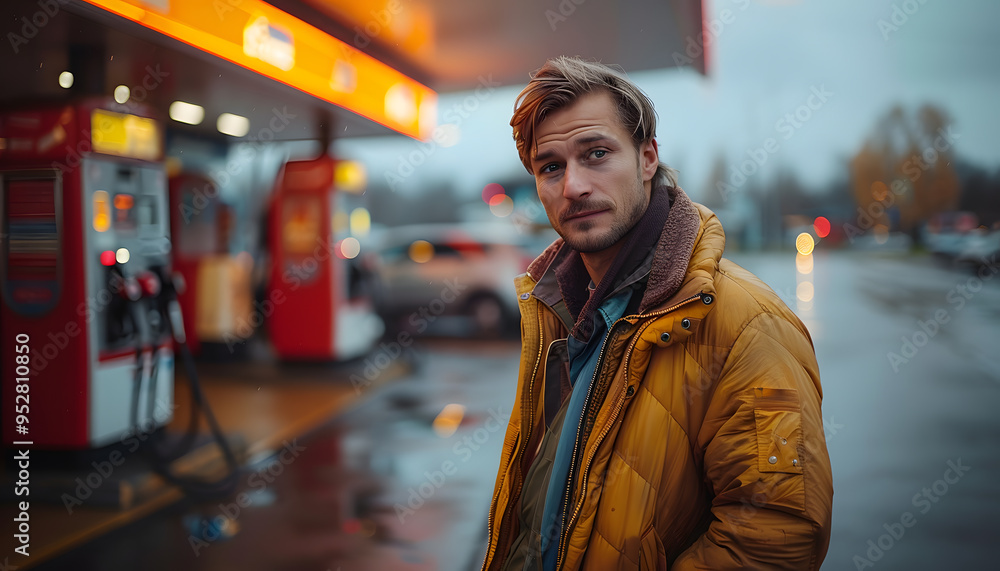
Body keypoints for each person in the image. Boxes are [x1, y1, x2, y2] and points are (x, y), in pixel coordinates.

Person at [482, 56, 833, 571]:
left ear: (648, 159)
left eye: (596, 154)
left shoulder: (746, 322)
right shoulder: (558, 308)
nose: (573, 186)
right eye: (550, 166)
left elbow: (777, 534)